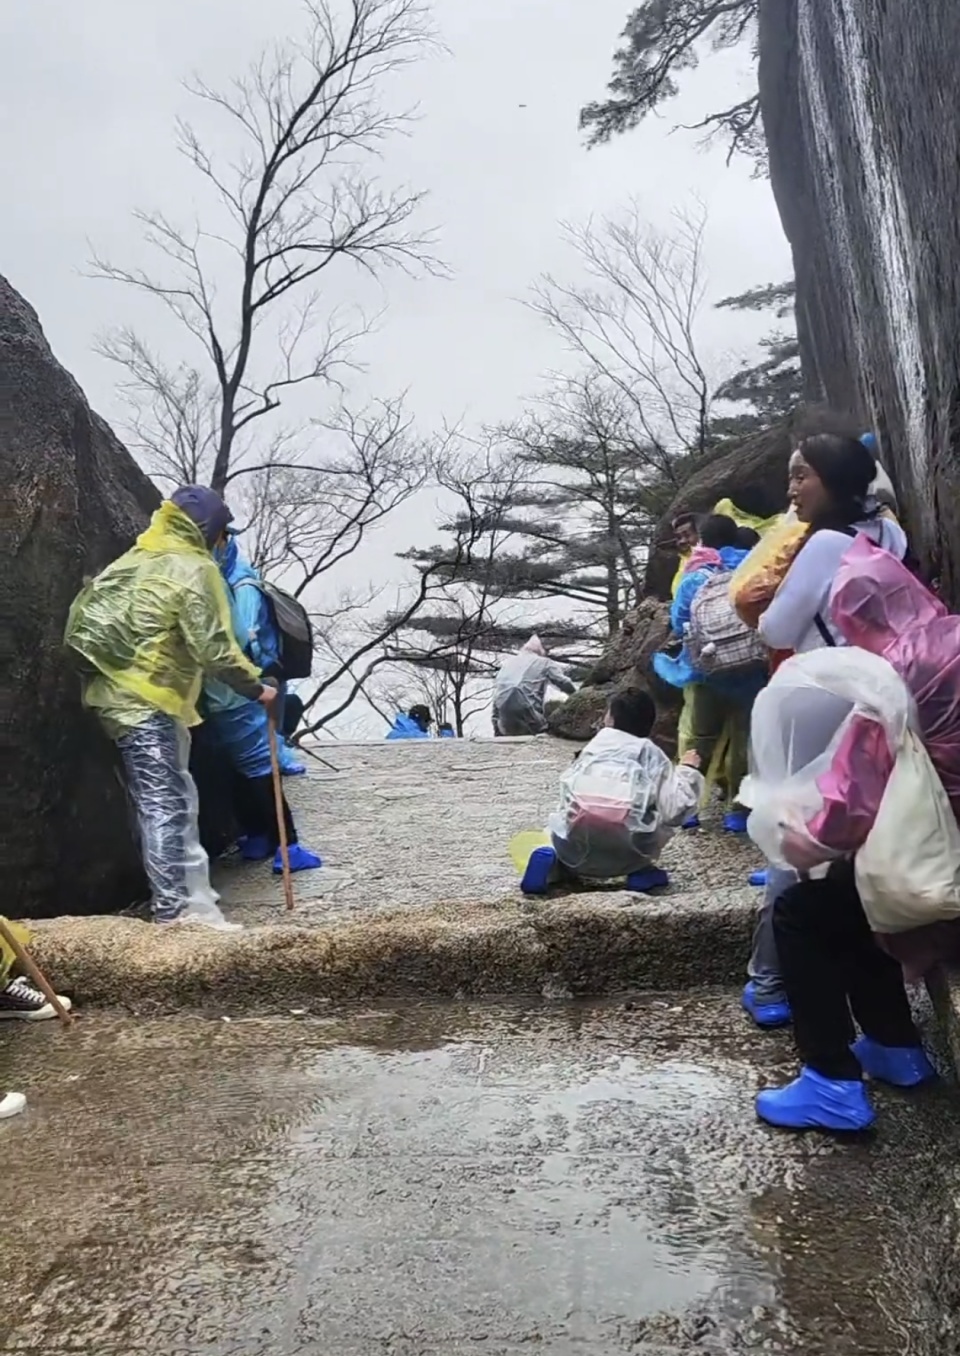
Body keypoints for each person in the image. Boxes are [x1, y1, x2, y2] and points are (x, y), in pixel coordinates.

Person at [743, 432, 909, 1028]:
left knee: (795, 841)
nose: (792, 487)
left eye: (801, 474)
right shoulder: (891, 534)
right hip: (880, 697)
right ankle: (888, 1029)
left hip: (821, 698)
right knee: (854, 839)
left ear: (834, 481)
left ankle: (768, 981)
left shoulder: (822, 545)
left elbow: (776, 628)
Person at [64, 485, 278, 924]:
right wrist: (258, 689)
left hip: (114, 695)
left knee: (161, 798)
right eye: (223, 534)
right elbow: (215, 650)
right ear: (212, 533)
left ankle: (182, 901)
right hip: (146, 701)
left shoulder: (138, 559)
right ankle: (175, 911)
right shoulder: (194, 569)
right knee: (165, 802)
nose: (224, 543)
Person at [203, 537, 322, 874]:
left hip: (215, 692)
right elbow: (244, 642)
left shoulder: (216, 578)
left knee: (237, 767)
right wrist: (258, 687)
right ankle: (288, 847)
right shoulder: (240, 584)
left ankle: (258, 838)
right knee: (258, 767)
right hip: (241, 689)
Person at [521, 688, 702, 894]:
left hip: (573, 851)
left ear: (611, 720)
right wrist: (688, 770)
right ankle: (641, 872)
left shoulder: (591, 750)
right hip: (628, 854)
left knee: (565, 820)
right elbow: (676, 810)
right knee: (653, 812)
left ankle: (554, 866)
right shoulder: (650, 753)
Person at [661, 514, 766, 835]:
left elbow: (680, 623)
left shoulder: (695, 576)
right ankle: (739, 809)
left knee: (700, 737)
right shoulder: (752, 569)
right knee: (745, 739)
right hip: (751, 670)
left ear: (703, 540)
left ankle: (688, 808)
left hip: (707, 670)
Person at [492, 636, 576, 736]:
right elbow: (563, 682)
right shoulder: (544, 662)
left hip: (504, 716)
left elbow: (497, 695)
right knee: (547, 733)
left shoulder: (507, 663)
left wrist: (496, 728)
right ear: (541, 651)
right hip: (528, 714)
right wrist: (577, 695)